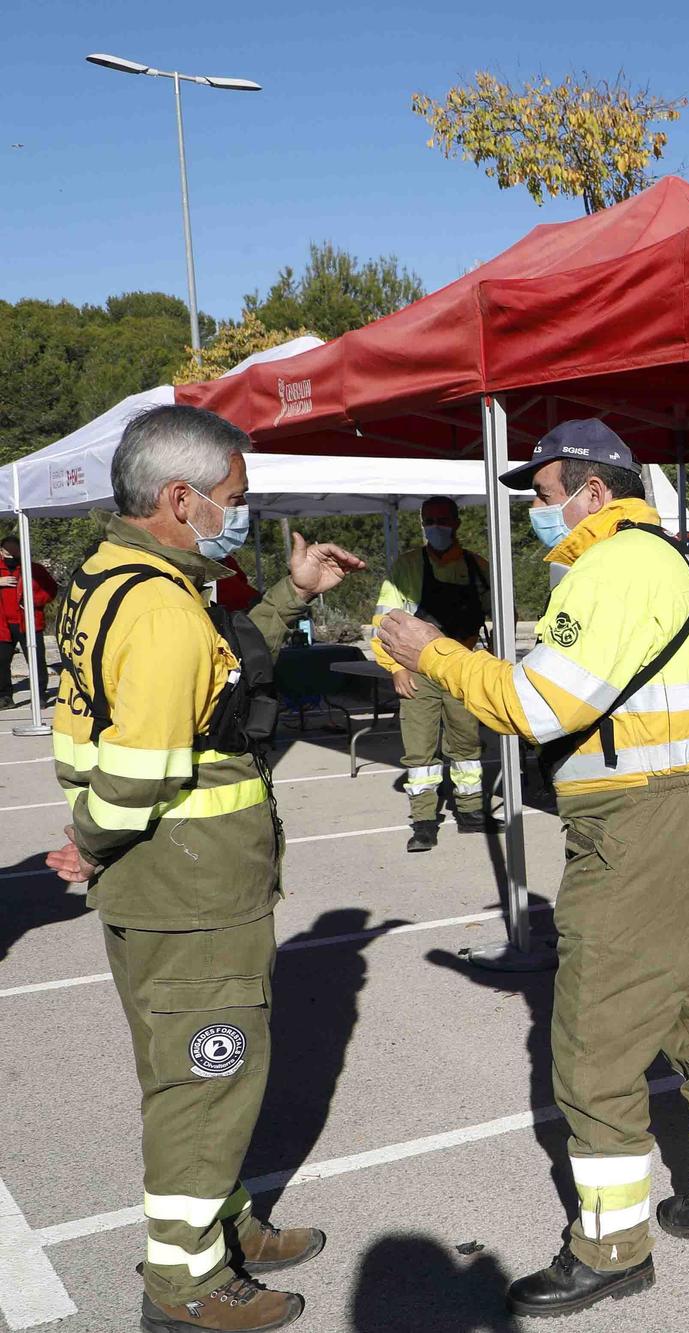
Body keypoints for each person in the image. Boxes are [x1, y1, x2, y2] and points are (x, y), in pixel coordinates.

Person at [377, 419, 689, 1320]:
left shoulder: (614, 567)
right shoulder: (681, 565)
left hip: (642, 822)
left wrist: (430, 651)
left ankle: (611, 1247)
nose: (535, 512)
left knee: (596, 1041)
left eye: (544, 495)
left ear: (594, 491)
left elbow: (535, 705)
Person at [43, 405, 365, 1333]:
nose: (242, 513)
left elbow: (220, 675)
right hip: (186, 889)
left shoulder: (118, 578)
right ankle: (184, 1283)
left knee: (193, 1077)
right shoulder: (158, 604)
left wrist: (292, 591)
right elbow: (143, 766)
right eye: (232, 498)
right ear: (178, 498)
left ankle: (221, 1225)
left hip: (166, 883)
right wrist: (94, 837)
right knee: (204, 1082)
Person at [369, 496, 491, 851]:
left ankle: (470, 813)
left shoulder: (477, 566)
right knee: (420, 751)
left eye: (443, 519)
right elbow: (384, 620)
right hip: (417, 670)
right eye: (429, 520)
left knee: (466, 744)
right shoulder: (407, 565)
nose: (436, 526)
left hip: (464, 667)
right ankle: (424, 822)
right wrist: (394, 668)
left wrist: (496, 655)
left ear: (457, 522)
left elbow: (500, 607)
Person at [0, 531, 59, 706]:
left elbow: (51, 590)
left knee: (35, 659)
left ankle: (39, 694)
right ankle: (4, 696)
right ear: (1, 552)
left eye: (15, 552)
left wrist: (33, 599)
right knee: (1, 662)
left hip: (29, 622)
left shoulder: (34, 569)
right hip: (3, 625)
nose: (11, 556)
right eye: (7, 553)